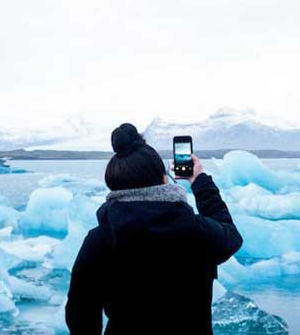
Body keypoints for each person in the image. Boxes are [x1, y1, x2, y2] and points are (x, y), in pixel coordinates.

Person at [65, 123, 243, 335]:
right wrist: (199, 181)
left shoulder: (100, 239)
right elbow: (231, 235)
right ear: (162, 178)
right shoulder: (196, 231)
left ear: (115, 186)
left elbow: (80, 311)